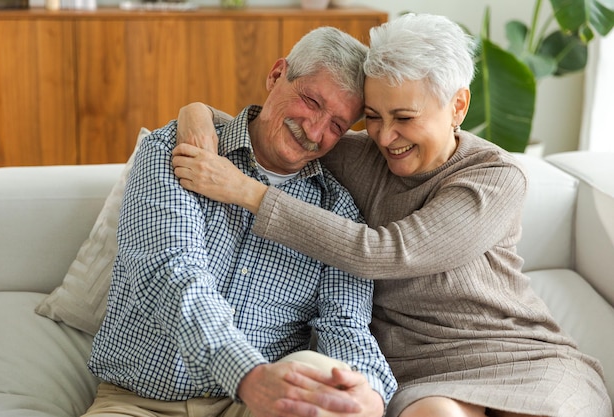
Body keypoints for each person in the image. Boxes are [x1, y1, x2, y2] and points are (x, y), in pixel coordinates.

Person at [171, 13, 612, 417]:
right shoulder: (362, 157)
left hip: (519, 357)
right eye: (374, 118)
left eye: (404, 117)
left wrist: (248, 193)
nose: (386, 137)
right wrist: (195, 113)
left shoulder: (495, 177)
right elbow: (267, 127)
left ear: (458, 106)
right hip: (417, 369)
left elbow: (390, 251)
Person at [83, 26, 397, 417]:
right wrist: (249, 376)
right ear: (276, 74)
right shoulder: (176, 150)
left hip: (257, 408)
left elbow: (345, 323)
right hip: (138, 401)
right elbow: (170, 275)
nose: (315, 132)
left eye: (337, 125)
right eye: (311, 101)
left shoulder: (336, 211)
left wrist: (371, 391)